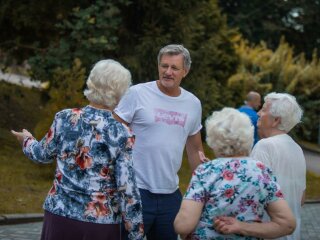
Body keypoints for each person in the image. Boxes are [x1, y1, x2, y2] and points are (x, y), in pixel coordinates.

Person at [11, 59, 144, 240]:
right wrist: (137, 232)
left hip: (59, 215)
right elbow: (126, 187)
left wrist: (26, 140)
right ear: (120, 93)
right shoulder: (121, 133)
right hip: (99, 223)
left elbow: (41, 154)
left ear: (91, 83)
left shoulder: (64, 118)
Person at [113, 44, 204, 239]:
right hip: (135, 190)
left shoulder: (193, 104)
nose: (168, 72)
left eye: (174, 68)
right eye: (164, 66)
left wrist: (202, 190)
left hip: (171, 195)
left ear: (185, 72)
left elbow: (195, 149)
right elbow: (112, 134)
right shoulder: (137, 93)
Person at [174, 107, 296, 239]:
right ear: (248, 136)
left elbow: (183, 225)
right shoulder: (262, 171)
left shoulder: (205, 172)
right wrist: (242, 227)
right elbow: (287, 224)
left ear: (213, 140)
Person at [250, 92, 306, 240]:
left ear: (275, 120)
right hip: (292, 233)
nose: (258, 113)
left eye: (263, 109)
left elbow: (252, 192)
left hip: (268, 232)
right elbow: (301, 198)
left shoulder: (265, 146)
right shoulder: (297, 148)